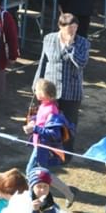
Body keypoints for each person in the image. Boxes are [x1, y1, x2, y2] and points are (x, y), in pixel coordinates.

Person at [35, 13, 89, 150]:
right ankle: (48, 150)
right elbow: (43, 62)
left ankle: (66, 154)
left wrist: (70, 46)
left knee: (69, 124)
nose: (72, 31)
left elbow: (81, 63)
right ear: (60, 26)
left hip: (72, 91)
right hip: (50, 90)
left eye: (74, 28)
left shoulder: (83, 42)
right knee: (48, 122)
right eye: (69, 28)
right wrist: (37, 84)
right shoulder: (49, 39)